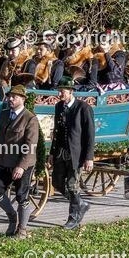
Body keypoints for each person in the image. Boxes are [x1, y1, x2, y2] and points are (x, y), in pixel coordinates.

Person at [0, 84, 39, 238]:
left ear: (23, 99)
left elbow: (30, 146)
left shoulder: (30, 118)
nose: (10, 99)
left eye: (14, 97)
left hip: (22, 164)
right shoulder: (4, 114)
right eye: (9, 96)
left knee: (21, 196)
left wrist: (21, 167)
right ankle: (12, 217)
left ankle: (22, 230)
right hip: (4, 161)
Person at [51, 76, 95, 230]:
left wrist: (89, 157)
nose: (59, 94)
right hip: (61, 152)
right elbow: (56, 132)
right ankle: (81, 204)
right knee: (56, 182)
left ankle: (73, 218)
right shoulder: (58, 107)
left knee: (72, 185)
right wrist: (52, 152)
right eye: (59, 91)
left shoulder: (83, 108)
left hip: (77, 154)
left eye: (62, 91)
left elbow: (90, 135)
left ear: (70, 91)